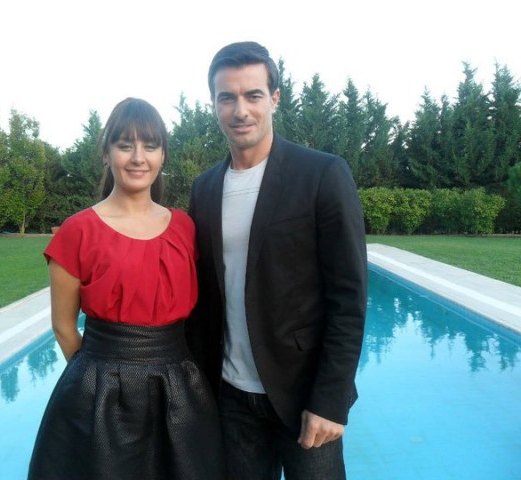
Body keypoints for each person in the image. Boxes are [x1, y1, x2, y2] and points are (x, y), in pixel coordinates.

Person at [185, 41, 368, 479]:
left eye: (253, 95)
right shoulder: (204, 188)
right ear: (213, 103)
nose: (240, 110)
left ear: (275, 98)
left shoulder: (322, 174)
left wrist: (330, 401)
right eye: (227, 97)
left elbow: (349, 298)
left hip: (305, 397)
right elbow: (204, 296)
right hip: (230, 398)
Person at [28, 97, 224, 480]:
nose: (138, 158)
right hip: (99, 391)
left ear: (162, 155)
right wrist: (96, 381)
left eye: (150, 146)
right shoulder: (77, 231)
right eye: (125, 145)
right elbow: (64, 327)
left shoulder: (185, 228)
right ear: (106, 153)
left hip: (180, 389)